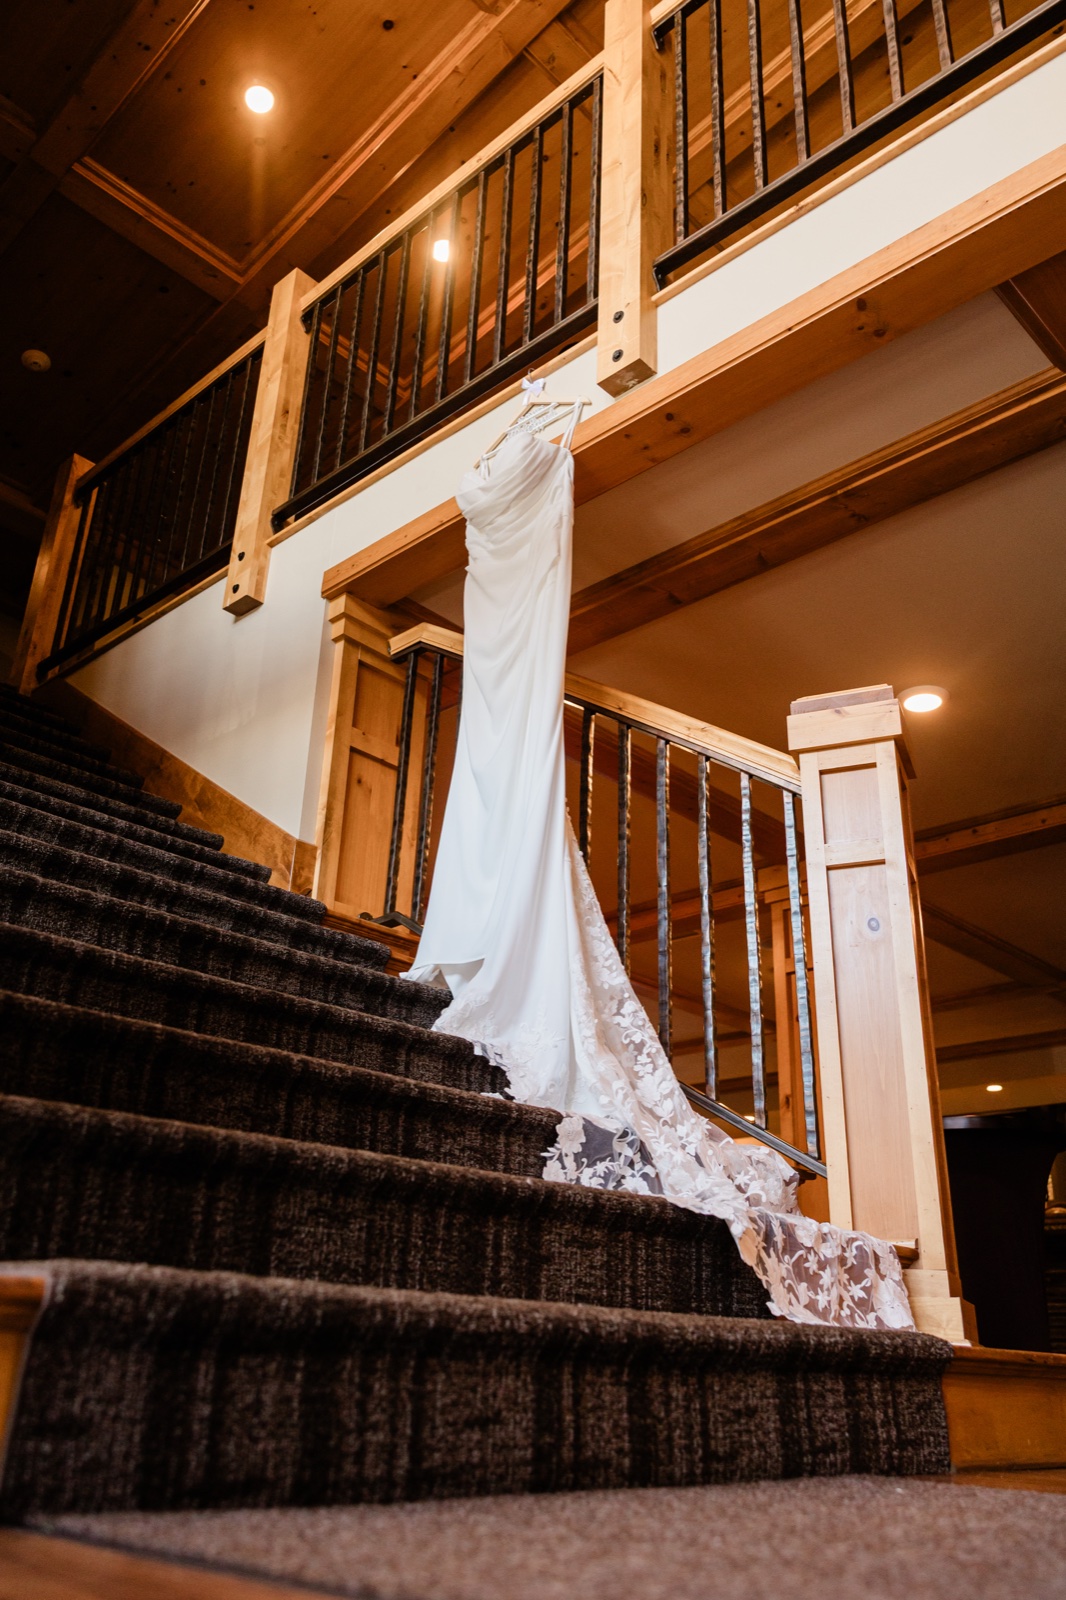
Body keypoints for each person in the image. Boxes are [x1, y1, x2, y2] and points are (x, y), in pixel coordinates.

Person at [404, 391, 913, 1330]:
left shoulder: (545, 441)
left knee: (514, 760)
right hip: (491, 630)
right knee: (486, 763)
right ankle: (481, 926)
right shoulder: (499, 466)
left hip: (523, 623)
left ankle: (507, 938)